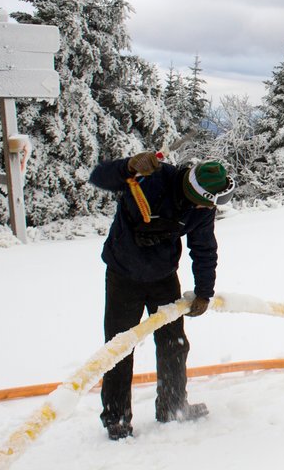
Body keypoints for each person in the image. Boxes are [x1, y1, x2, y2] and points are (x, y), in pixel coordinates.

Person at [89, 151, 235, 440]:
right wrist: (128, 166)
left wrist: (204, 292)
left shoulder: (202, 209)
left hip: (163, 278)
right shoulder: (152, 178)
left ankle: (172, 406)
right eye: (211, 200)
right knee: (119, 349)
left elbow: (204, 249)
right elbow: (99, 176)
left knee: (174, 344)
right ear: (197, 191)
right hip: (123, 277)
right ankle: (116, 419)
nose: (213, 207)